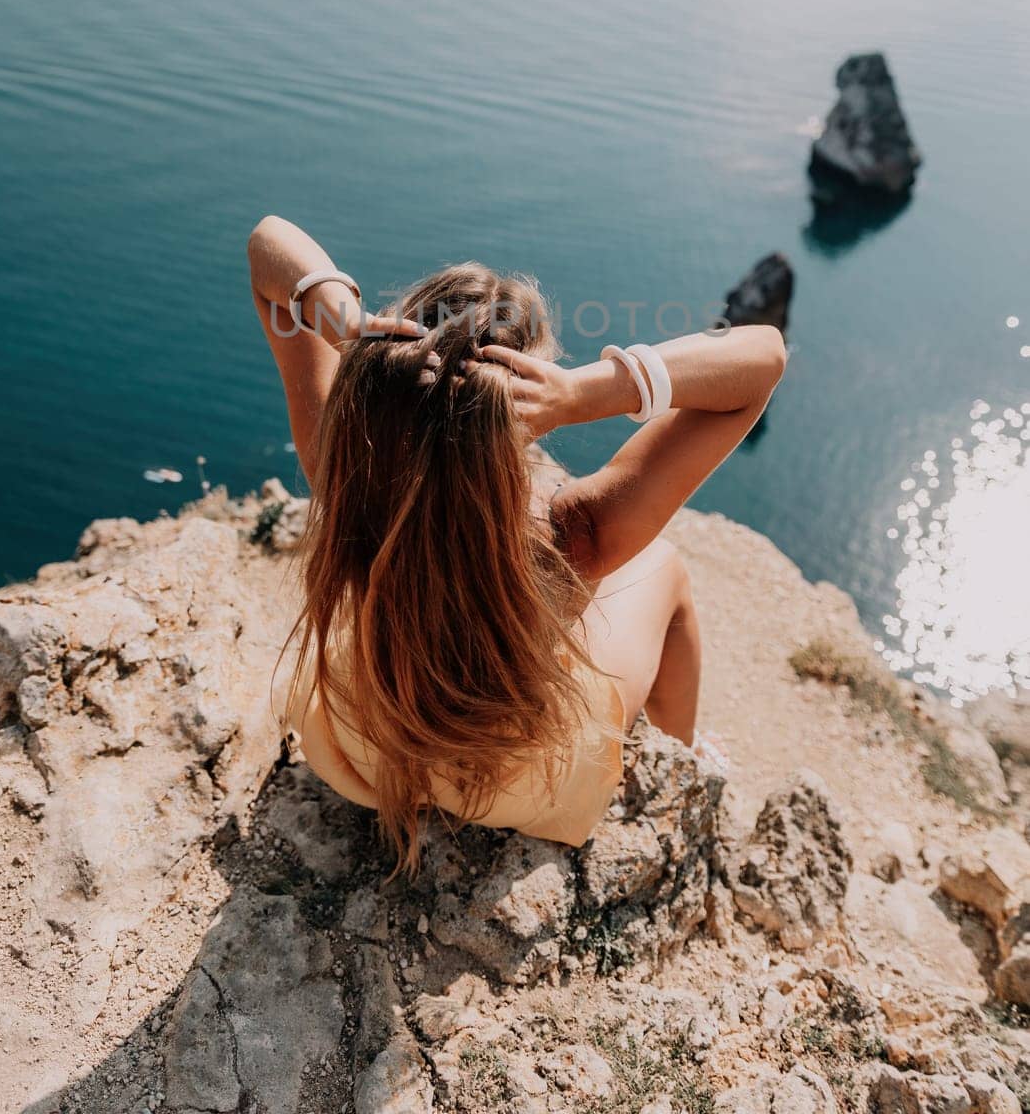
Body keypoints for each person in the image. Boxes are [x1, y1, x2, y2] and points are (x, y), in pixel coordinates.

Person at [248, 215, 786, 875]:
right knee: (662, 567)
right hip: (520, 791)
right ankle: (680, 752)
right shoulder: (574, 531)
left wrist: (351, 332)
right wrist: (591, 392)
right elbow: (761, 358)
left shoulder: (344, 471)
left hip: (357, 752)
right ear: (524, 396)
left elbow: (268, 246)